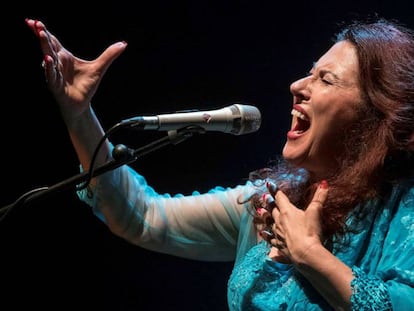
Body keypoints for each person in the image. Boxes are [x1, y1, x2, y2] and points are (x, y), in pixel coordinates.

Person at [25, 16, 414, 310]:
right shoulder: (270, 204)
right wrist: (79, 114)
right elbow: (144, 217)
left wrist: (309, 253)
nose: (298, 86)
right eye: (308, 74)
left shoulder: (404, 208)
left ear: (376, 114)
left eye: (325, 79)